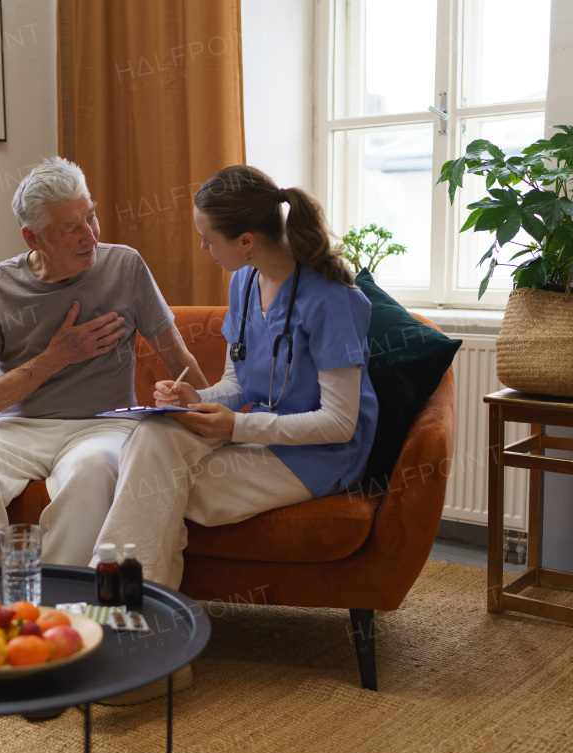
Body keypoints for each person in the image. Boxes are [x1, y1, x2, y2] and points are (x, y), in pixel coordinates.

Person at [92, 164, 378, 592]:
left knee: (152, 492)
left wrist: (237, 425)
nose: (203, 246)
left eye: (208, 238)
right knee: (153, 435)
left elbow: (340, 422)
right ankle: (142, 621)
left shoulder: (334, 301)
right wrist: (194, 397)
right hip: (258, 430)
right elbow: (238, 384)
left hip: (318, 455)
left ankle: (124, 609)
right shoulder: (243, 283)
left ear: (247, 241)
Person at [0, 156, 206, 569]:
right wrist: (55, 358)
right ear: (33, 238)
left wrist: (209, 416)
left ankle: (59, 616)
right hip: (17, 428)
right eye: (70, 228)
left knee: (93, 469)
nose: (90, 235)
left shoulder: (125, 266)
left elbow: (178, 358)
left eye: (91, 217)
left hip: (105, 425)